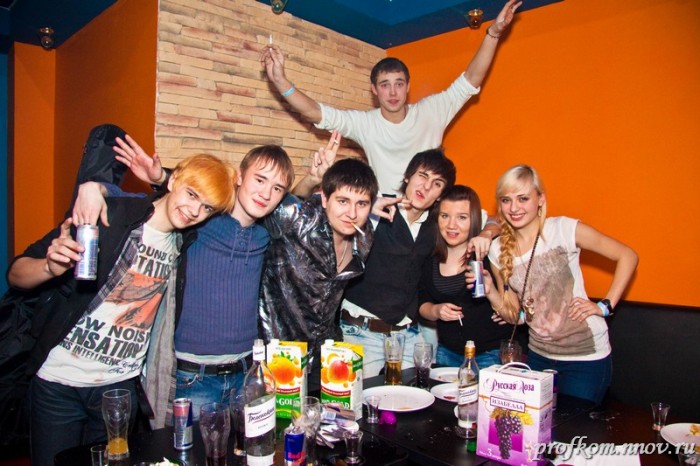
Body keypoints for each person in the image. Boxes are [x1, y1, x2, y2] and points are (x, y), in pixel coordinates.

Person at [8, 154, 235, 466]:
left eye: (207, 207)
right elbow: (16, 273)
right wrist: (49, 267)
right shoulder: (110, 214)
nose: (194, 211)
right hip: (58, 383)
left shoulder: (185, 242)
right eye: (191, 194)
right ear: (173, 181)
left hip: (118, 388)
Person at [72, 135, 296, 427]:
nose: (266, 193)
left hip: (247, 376)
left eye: (277, 188)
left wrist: (313, 181)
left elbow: (308, 211)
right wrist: (97, 187)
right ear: (239, 177)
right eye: (260, 179)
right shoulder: (202, 220)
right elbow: (144, 206)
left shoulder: (268, 234)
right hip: (192, 378)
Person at [261, 0, 522, 194]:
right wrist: (281, 82)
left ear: (408, 87)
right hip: (385, 219)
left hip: (429, 217)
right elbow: (315, 112)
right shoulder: (366, 124)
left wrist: (494, 33)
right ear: (374, 90)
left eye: (399, 84)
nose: (393, 92)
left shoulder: (431, 111)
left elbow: (471, 80)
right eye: (385, 85)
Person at [482, 164, 638, 404]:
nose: (514, 208)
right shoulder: (497, 249)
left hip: (585, 358)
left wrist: (605, 306)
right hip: (538, 357)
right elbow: (517, 317)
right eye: (506, 200)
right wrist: (491, 291)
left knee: (575, 428)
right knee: (539, 427)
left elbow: (627, 255)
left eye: (523, 198)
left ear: (540, 199)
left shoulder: (563, 229)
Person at [339, 149, 499, 378]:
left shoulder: (440, 222)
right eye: (422, 176)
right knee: (361, 398)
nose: (426, 186)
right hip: (361, 331)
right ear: (407, 176)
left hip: (407, 335)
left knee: (419, 395)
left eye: (437, 183)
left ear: (441, 195)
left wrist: (486, 234)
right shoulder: (377, 206)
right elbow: (333, 208)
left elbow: (496, 218)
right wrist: (365, 209)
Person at [258, 156, 383, 392]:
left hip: (325, 354)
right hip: (280, 354)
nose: (352, 213)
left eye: (362, 204)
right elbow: (268, 201)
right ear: (325, 198)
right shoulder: (299, 220)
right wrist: (310, 179)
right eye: (343, 201)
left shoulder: (364, 237)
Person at [418, 185, 514, 369]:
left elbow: (515, 308)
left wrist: (499, 302)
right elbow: (422, 303)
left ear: (475, 219)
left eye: (462, 217)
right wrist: (436, 311)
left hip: (490, 355)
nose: (451, 225)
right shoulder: (430, 257)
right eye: (445, 216)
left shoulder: (489, 254)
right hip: (447, 352)